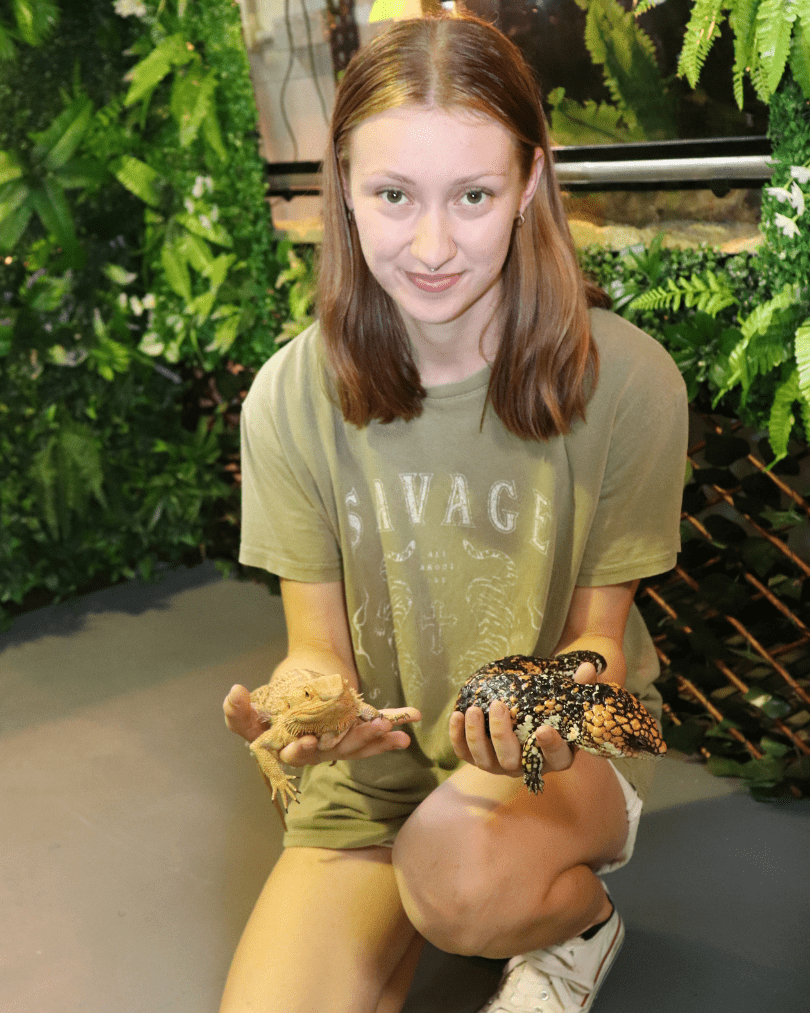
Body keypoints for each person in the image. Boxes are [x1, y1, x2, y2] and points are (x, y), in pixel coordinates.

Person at [221, 11, 687, 1013]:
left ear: (528, 183)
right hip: (376, 775)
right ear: (344, 188)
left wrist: (535, 718)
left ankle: (578, 922)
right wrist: (304, 707)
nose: (432, 246)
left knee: (458, 878)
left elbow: (598, 645)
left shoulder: (630, 381)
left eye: (473, 194)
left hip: (552, 753)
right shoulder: (287, 398)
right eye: (393, 194)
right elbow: (316, 649)